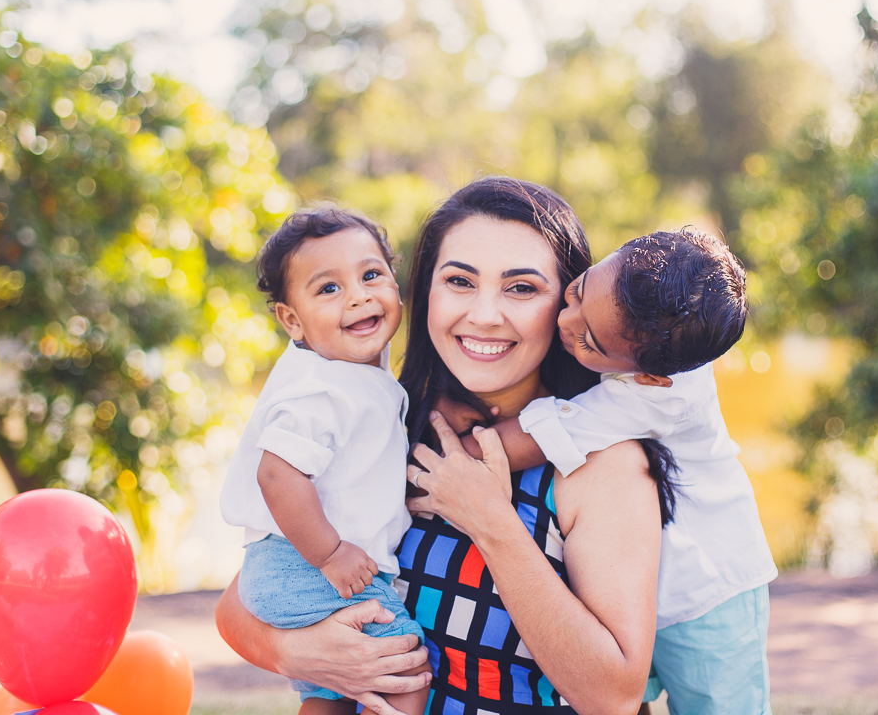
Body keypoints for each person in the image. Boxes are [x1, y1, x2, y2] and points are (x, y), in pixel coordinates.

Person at [216, 177, 668, 715]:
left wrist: (492, 522)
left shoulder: (600, 464)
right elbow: (241, 605)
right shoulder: (393, 421)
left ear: (569, 304)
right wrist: (303, 654)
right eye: (459, 281)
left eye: (521, 288)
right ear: (424, 289)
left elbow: (612, 696)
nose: (483, 314)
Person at [458, 228, 777, 715]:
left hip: (709, 590)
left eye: (587, 340)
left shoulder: (661, 394)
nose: (565, 321)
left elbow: (532, 441)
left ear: (649, 374)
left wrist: (441, 449)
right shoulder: (647, 322)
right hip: (634, 581)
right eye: (576, 292)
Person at [219, 207, 429, 715]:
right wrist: (330, 554)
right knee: (404, 670)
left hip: (299, 563)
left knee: (330, 691)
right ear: (292, 319)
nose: (357, 295)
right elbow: (277, 472)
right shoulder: (322, 386)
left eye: (371, 275)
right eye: (328, 289)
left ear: (395, 288)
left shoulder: (354, 375)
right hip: (306, 562)